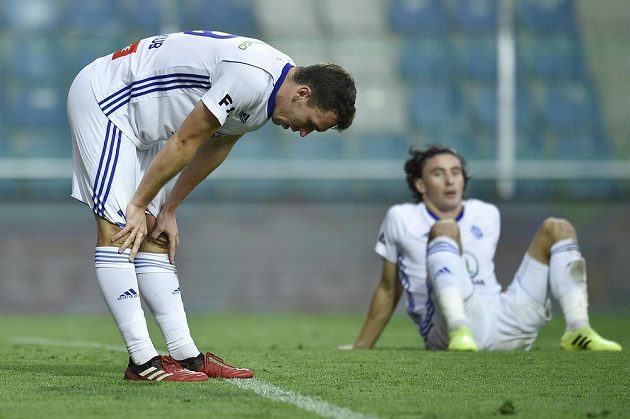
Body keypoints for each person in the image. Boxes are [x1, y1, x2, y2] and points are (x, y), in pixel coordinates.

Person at [68, 30, 356, 381]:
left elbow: (214, 147)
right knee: (119, 229)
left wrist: (168, 208)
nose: (304, 133)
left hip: (145, 124)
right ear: (302, 93)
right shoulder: (250, 77)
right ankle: (142, 360)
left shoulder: (267, 100)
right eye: (311, 124)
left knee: (155, 233)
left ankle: (186, 355)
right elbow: (187, 138)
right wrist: (138, 203)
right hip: (109, 101)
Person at [342, 145, 621, 352]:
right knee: (445, 228)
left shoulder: (486, 213)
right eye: (438, 174)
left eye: (456, 173)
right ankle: (459, 329)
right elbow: (389, 289)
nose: (450, 180)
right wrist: (361, 346)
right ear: (420, 184)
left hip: (502, 318)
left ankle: (578, 329)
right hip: (444, 329)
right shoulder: (401, 217)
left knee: (558, 228)